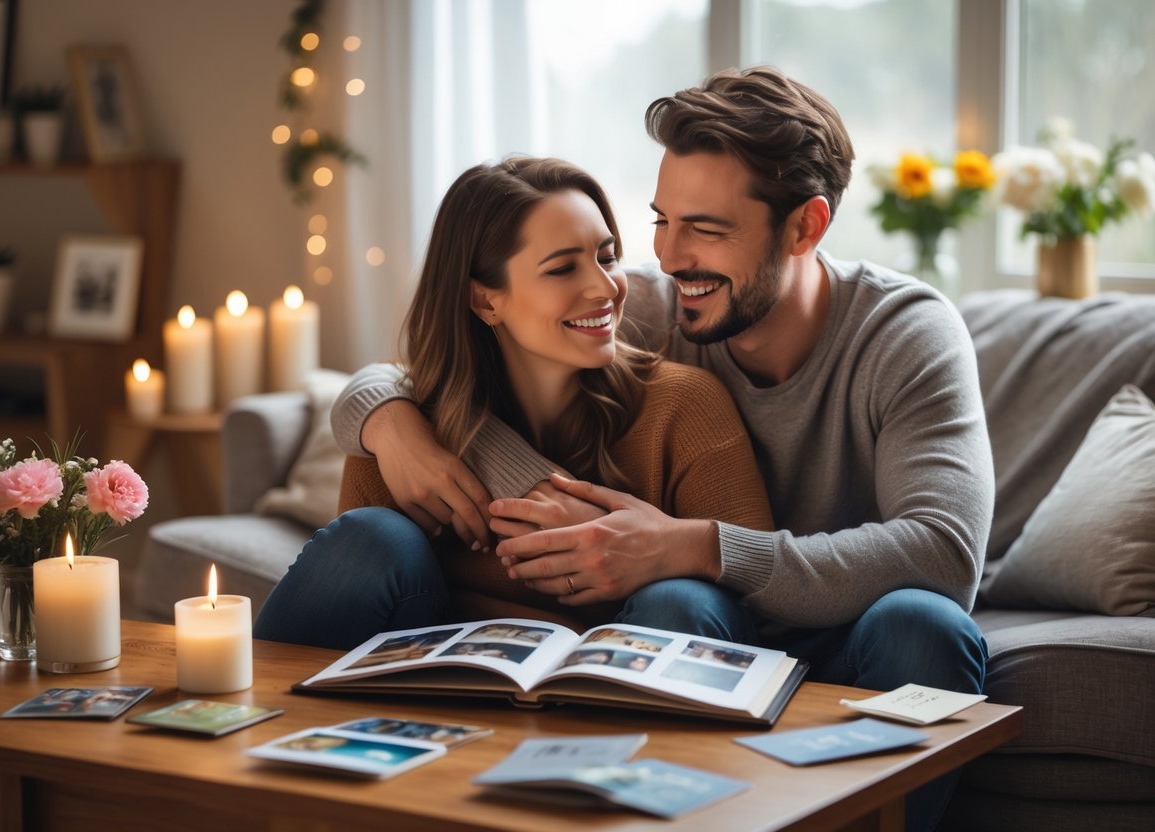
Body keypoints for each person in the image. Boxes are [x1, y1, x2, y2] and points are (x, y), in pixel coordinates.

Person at [334, 67, 992, 832]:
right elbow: (442, 359)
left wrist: (692, 545)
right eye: (661, 220)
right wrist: (389, 421)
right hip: (707, 626)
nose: (669, 256)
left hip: (844, 633)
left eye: (705, 229)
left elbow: (943, 553)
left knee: (922, 624)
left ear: (804, 227)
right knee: (670, 604)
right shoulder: (650, 304)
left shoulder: (906, 335)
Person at [253, 156, 773, 651]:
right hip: (449, 674)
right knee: (370, 537)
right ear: (486, 300)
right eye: (562, 269)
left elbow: (750, 592)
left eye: (606, 256)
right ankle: (252, 724)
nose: (607, 287)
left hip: (629, 675)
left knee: (681, 599)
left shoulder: (683, 406)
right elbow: (368, 590)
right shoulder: (405, 432)